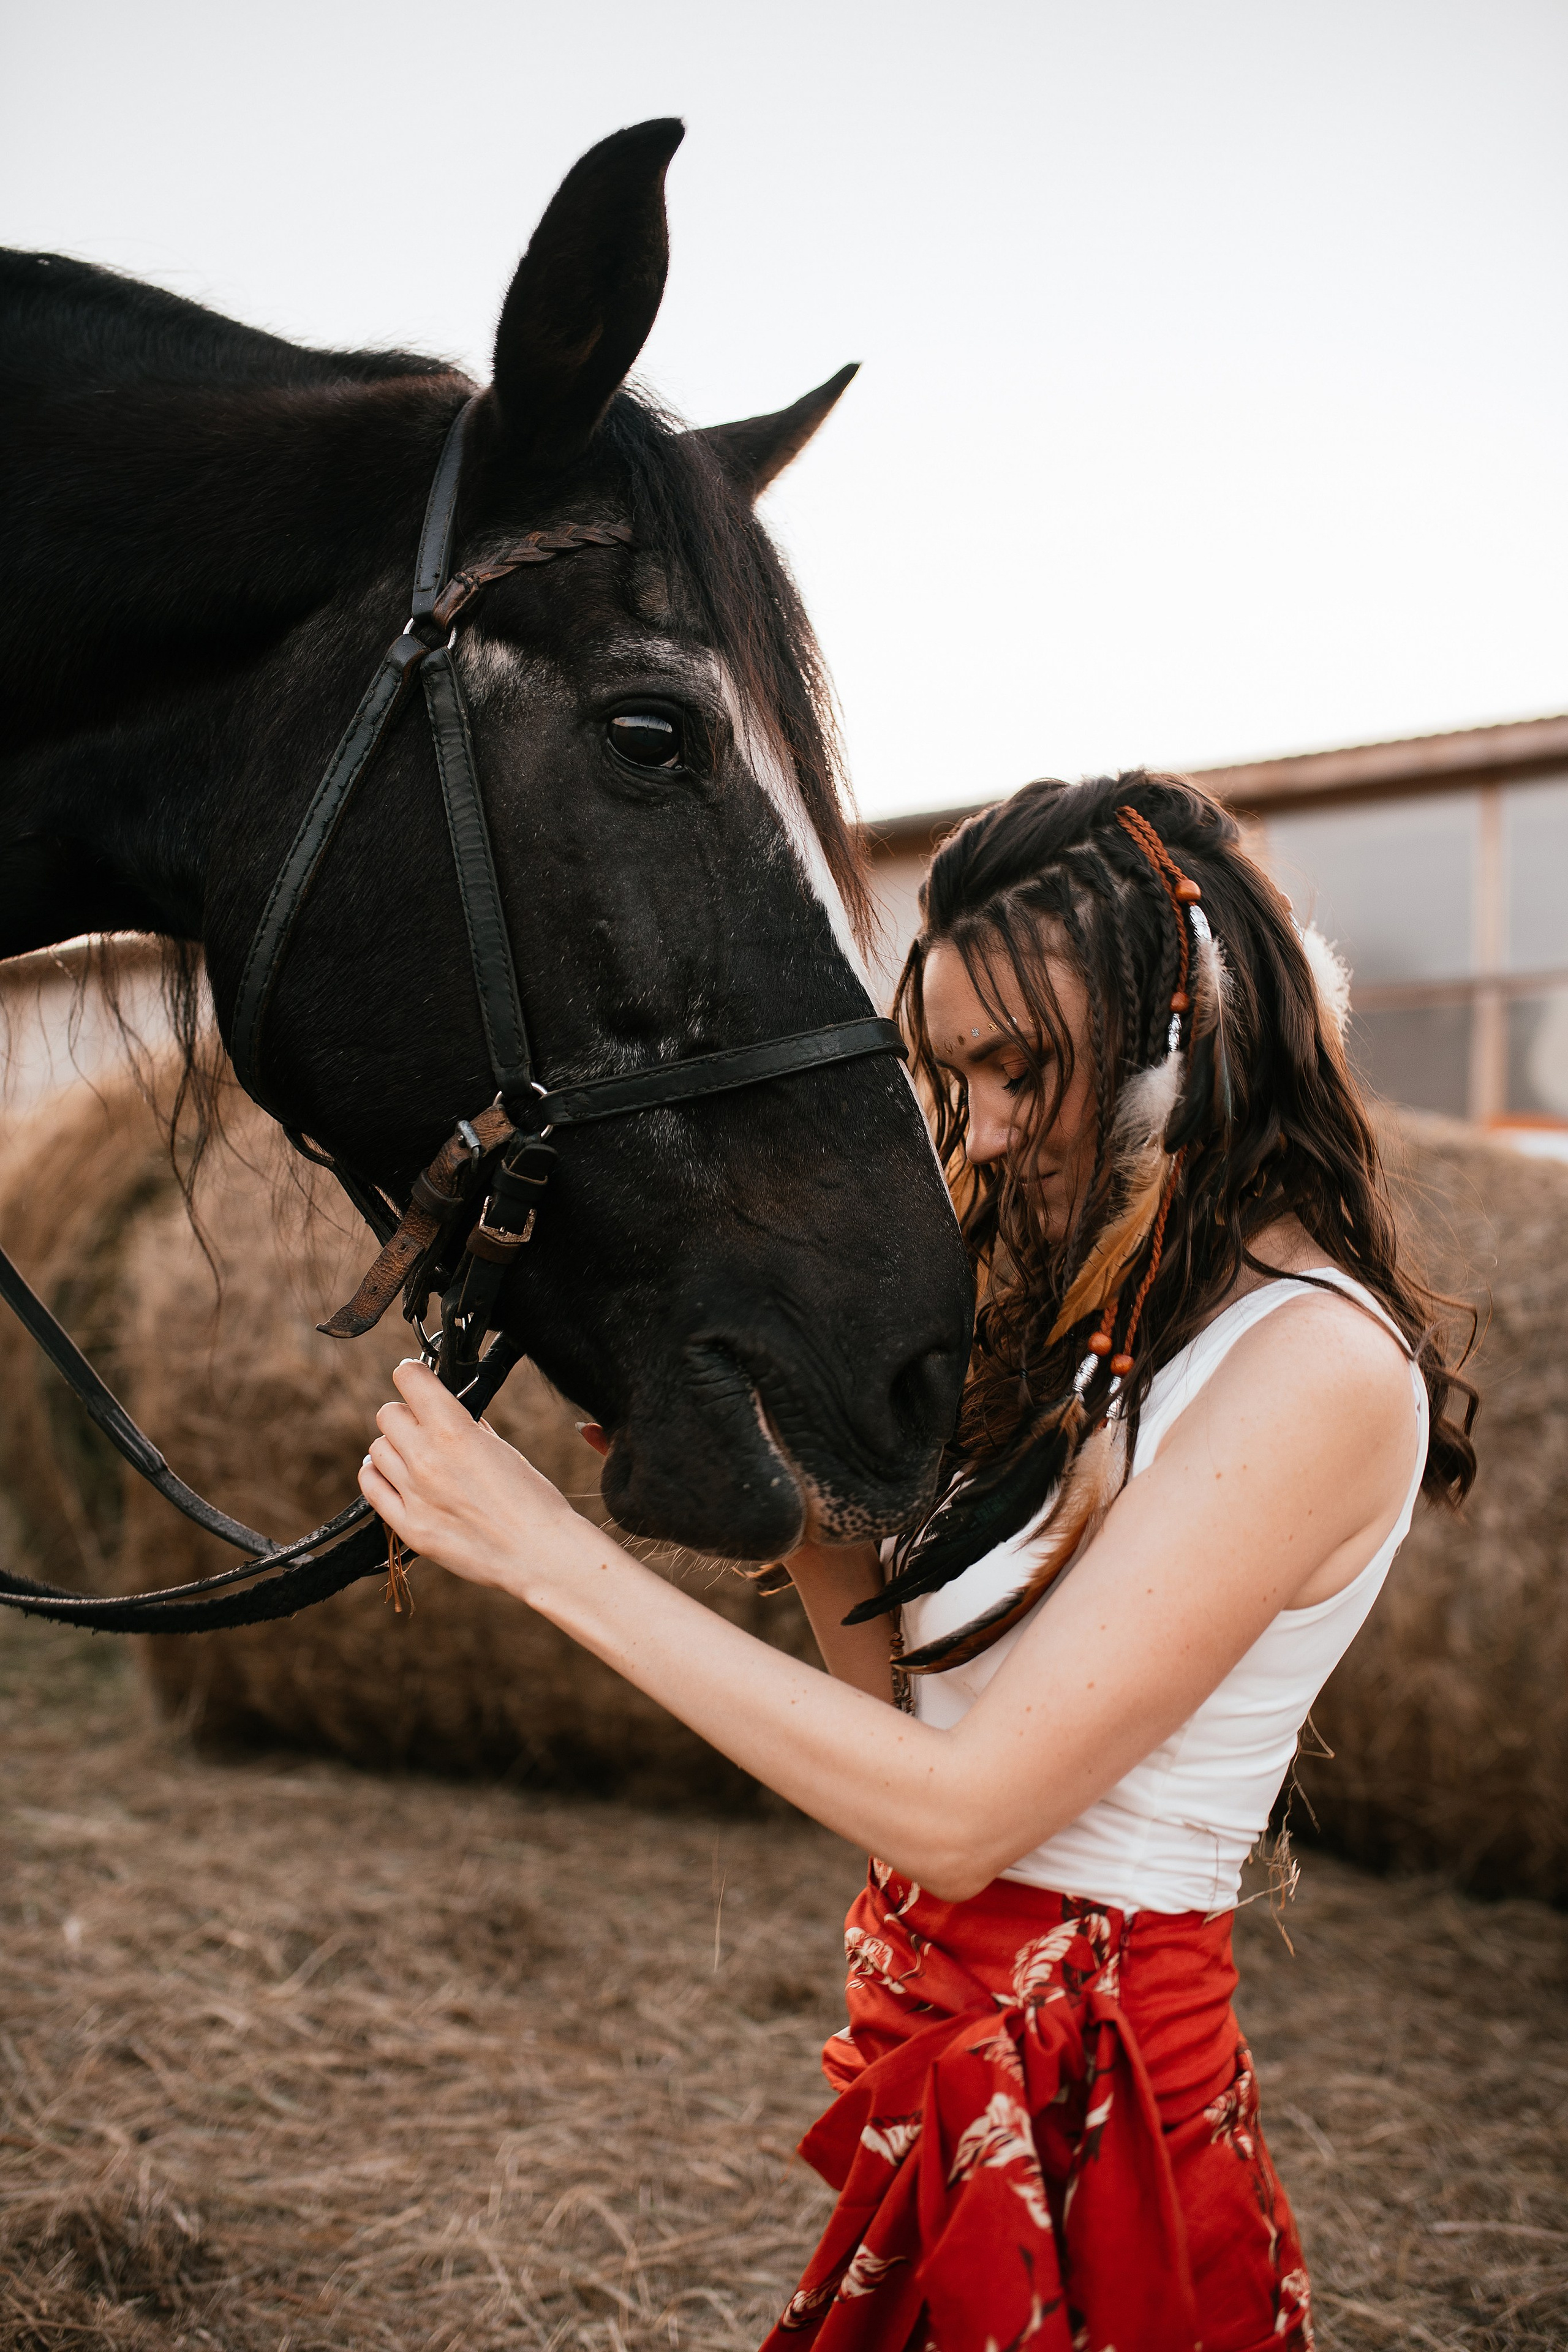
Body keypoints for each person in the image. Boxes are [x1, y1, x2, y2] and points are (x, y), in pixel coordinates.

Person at [360, 772, 1476, 2352]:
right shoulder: (1098, 1324)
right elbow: (918, 1715)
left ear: (1188, 1039)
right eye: (958, 1072)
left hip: (1102, 2125)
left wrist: (546, 1555)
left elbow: (965, 1819)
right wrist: (803, 1516)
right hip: (944, 2061)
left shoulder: (1315, 1369)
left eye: (1027, 1071)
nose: (994, 1127)